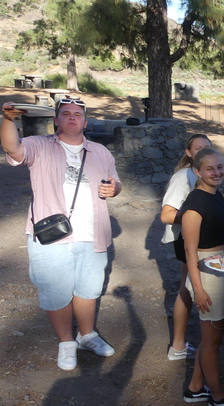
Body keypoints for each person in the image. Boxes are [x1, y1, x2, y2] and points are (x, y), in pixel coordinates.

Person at [1, 99, 122, 371]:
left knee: (88, 290)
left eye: (77, 115)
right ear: (56, 120)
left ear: (85, 122)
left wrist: (115, 189)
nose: (71, 118)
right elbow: (12, 148)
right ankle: (66, 342)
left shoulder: (101, 152)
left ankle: (87, 334)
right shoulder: (40, 145)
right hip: (51, 236)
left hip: (93, 236)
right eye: (65, 114)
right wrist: (8, 119)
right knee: (56, 294)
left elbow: (116, 182)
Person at [178, 148, 224, 406]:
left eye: (219, 167)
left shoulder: (214, 195)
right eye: (209, 169)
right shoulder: (194, 204)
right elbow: (189, 250)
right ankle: (217, 397)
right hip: (206, 275)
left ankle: (195, 387)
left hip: (220, 269)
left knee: (211, 338)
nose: (216, 172)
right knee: (212, 342)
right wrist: (199, 289)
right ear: (197, 172)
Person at [160, 133, 212, 361]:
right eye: (197, 149)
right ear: (188, 153)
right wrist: (195, 218)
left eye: (206, 149)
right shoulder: (183, 177)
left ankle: (180, 345)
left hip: (201, 239)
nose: (201, 152)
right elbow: (166, 215)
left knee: (189, 288)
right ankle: (178, 346)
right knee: (186, 288)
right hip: (186, 240)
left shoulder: (206, 175)